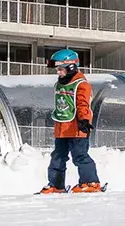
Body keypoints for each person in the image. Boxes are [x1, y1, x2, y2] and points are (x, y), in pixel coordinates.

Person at [40, 49, 103, 194]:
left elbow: (83, 104)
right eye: (57, 69)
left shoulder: (81, 84)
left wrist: (84, 120)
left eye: (60, 69)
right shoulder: (59, 84)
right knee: (58, 156)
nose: (58, 72)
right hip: (62, 127)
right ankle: (56, 185)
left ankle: (91, 182)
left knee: (80, 155)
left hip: (77, 127)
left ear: (71, 67)